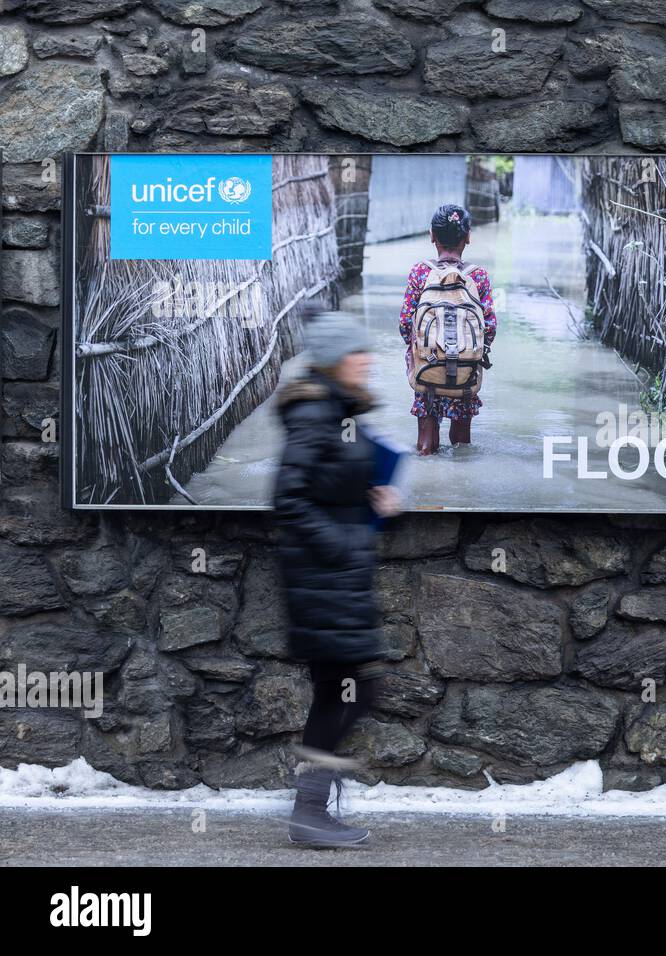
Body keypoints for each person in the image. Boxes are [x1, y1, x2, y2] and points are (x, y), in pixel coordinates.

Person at [273, 306, 402, 847]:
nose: (367, 360)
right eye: (357, 352)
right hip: (322, 578)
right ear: (332, 360)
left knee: (341, 690)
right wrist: (347, 541)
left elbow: (332, 483)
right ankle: (309, 812)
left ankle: (312, 811)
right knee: (350, 691)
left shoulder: (336, 412)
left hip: (335, 577)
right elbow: (289, 498)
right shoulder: (314, 416)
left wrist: (375, 495)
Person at [399, 203, 498, 455]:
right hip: (465, 372)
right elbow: (489, 329)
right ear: (468, 237)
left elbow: (405, 324)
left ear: (432, 235)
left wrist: (423, 349)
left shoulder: (420, 273)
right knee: (462, 445)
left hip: (427, 367)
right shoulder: (478, 276)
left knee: (426, 445)